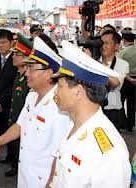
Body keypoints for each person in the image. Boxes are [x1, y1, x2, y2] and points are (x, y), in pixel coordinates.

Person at [0, 36, 70, 187]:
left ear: (49, 73)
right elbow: (20, 126)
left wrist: (50, 184)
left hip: (43, 179)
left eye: (31, 68)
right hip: (26, 175)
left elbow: (59, 154)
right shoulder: (32, 97)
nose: (26, 73)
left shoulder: (60, 107)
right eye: (26, 68)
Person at [49, 40, 131, 188]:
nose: (55, 91)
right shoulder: (75, 124)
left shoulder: (109, 153)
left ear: (78, 91)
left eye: (60, 86)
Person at [2, 32, 32, 177]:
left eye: (16, 54)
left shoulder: (29, 80)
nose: (13, 57)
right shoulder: (20, 75)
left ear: (25, 57)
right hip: (15, 122)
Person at [99, 30, 129, 131]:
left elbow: (114, 83)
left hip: (112, 111)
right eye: (102, 43)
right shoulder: (94, 61)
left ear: (116, 46)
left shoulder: (123, 64)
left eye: (107, 43)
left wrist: (95, 66)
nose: (103, 46)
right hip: (94, 108)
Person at [117, 29, 136, 132]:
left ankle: (123, 123)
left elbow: (120, 68)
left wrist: (130, 79)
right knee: (132, 103)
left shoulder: (123, 52)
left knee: (120, 102)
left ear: (123, 40)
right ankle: (131, 125)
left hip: (127, 80)